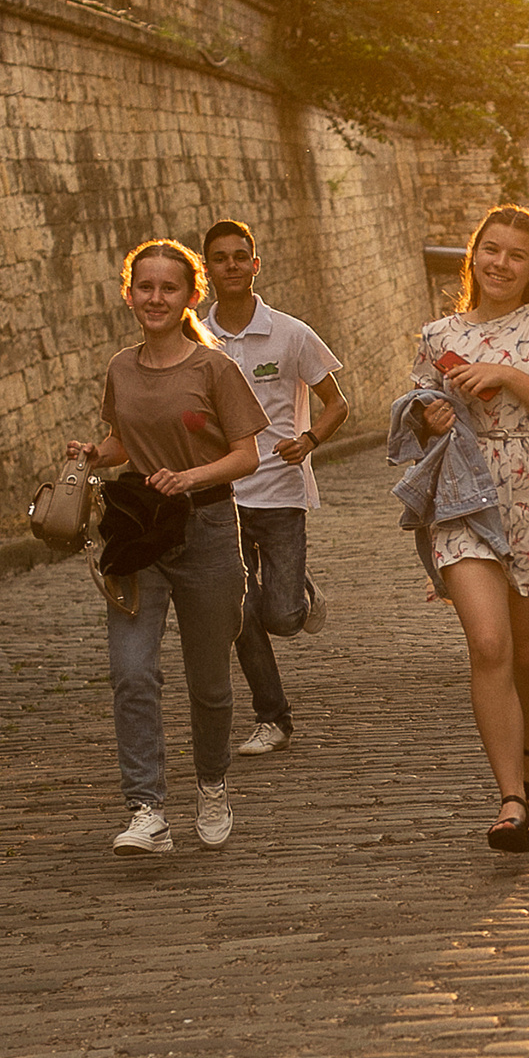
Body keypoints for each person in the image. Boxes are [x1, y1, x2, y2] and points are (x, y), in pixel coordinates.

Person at [69, 240, 270, 858]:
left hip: (206, 530)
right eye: (145, 287)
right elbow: (123, 440)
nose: (156, 299)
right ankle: (147, 809)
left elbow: (247, 455)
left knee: (209, 682)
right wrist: (96, 454)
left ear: (192, 296)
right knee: (132, 671)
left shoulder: (214, 369)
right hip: (139, 535)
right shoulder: (120, 368)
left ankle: (211, 783)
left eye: (170, 289)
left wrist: (192, 477)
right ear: (129, 293)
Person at [402, 205, 529, 851]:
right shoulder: (437, 335)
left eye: (516, 255)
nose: (501, 263)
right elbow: (415, 411)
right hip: (464, 495)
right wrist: (428, 415)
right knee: (490, 645)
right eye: (491, 249)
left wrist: (508, 374)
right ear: (473, 256)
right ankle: (512, 800)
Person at [199, 219, 350, 755]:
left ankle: (301, 594)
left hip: (282, 491)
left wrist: (309, 440)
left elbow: (339, 404)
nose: (232, 265)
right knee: (239, 612)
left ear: (256, 264)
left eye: (241, 256)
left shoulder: (291, 333)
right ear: (207, 269)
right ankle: (273, 718)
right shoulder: (195, 337)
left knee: (281, 616)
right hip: (222, 497)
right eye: (221, 258)